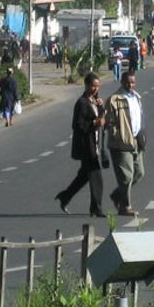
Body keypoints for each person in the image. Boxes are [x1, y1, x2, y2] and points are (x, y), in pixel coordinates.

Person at [55, 73, 108, 217]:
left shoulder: (95, 100)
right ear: (86, 85)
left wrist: (102, 109)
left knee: (84, 176)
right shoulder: (82, 103)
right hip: (86, 146)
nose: (96, 89)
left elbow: (101, 116)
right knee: (97, 178)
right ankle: (96, 208)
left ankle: (65, 196)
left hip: (94, 143)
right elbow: (78, 125)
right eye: (93, 86)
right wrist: (94, 123)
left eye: (98, 86)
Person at [106, 71, 145, 216]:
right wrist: (120, 136)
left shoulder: (136, 97)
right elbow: (110, 124)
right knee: (126, 176)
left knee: (139, 172)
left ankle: (118, 195)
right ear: (122, 82)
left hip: (136, 141)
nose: (130, 85)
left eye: (133, 82)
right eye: (128, 82)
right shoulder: (114, 99)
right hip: (121, 143)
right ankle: (125, 207)